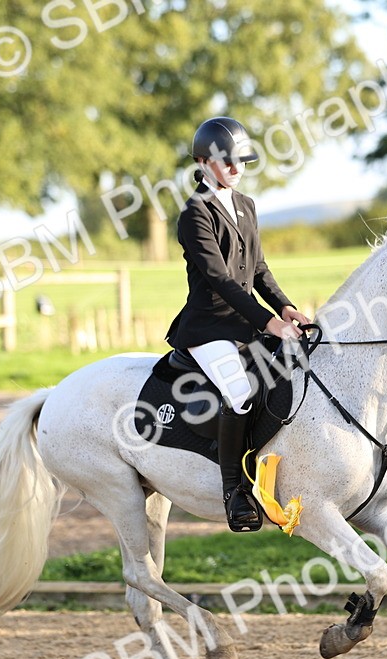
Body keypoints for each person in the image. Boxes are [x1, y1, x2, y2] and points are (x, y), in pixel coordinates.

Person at [165, 116, 310, 531]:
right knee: (241, 389)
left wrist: (285, 308)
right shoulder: (194, 214)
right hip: (208, 327)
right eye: (226, 162)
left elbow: (258, 268)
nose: (235, 168)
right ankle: (234, 491)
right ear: (202, 161)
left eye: (240, 161)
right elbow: (221, 280)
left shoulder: (245, 204)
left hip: (247, 322)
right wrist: (268, 323)